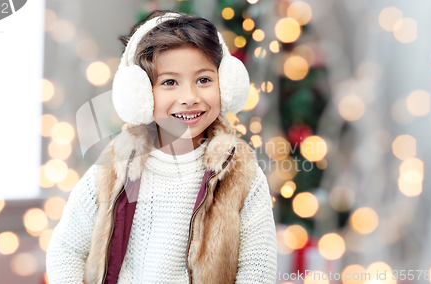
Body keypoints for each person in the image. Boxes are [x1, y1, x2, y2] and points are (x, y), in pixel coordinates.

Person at [46, 10, 278, 284]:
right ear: (140, 94)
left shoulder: (243, 176)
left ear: (225, 84)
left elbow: (258, 270)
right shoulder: (113, 170)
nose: (189, 97)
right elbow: (65, 251)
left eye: (203, 80)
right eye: (169, 82)